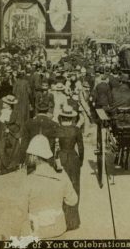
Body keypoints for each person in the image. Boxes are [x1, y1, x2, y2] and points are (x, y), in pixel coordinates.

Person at [22, 135, 78, 239]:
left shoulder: (28, 180)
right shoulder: (62, 175)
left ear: (34, 156)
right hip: (58, 230)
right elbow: (73, 200)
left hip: (36, 232)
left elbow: (21, 209)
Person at [54, 102, 84, 232]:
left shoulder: (58, 129)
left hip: (61, 157)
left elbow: (53, 146)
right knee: (74, 186)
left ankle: (62, 220)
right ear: (71, 118)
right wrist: (80, 161)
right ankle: (73, 221)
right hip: (73, 158)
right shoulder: (76, 130)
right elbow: (81, 148)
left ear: (62, 117)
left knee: (60, 187)